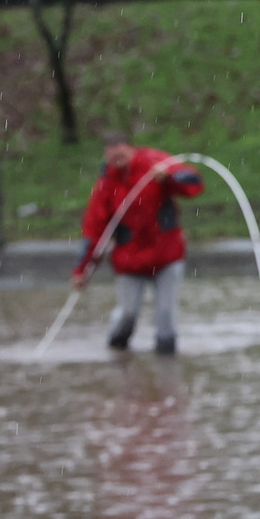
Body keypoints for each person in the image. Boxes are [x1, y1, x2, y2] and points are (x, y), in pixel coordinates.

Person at [72, 132, 205, 354]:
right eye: (112, 155)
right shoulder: (105, 185)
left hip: (167, 256)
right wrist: (83, 269)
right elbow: (95, 231)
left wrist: (170, 178)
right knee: (128, 314)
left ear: (130, 148)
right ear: (105, 156)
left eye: (121, 153)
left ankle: (166, 370)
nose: (117, 159)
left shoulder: (155, 161)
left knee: (165, 314)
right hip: (129, 262)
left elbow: (194, 182)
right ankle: (117, 355)